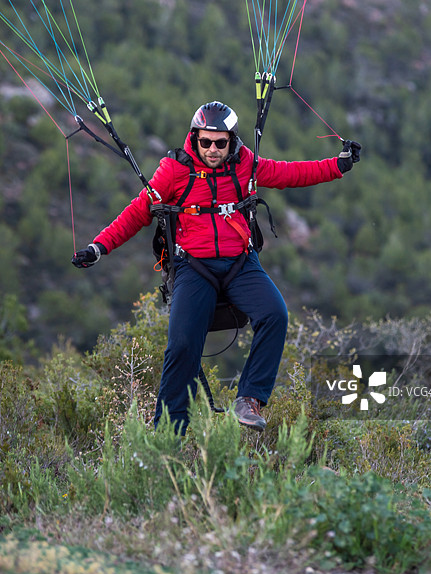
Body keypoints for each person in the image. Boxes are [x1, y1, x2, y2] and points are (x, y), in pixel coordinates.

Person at [72, 101, 361, 433]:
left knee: (275, 314)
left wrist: (337, 166)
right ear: (194, 138)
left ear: (232, 140)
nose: (212, 149)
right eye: (205, 141)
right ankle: (169, 433)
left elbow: (289, 173)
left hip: (240, 262)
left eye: (220, 142)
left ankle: (249, 398)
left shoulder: (245, 164)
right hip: (194, 267)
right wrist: (99, 246)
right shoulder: (174, 170)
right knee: (182, 344)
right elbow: (139, 211)